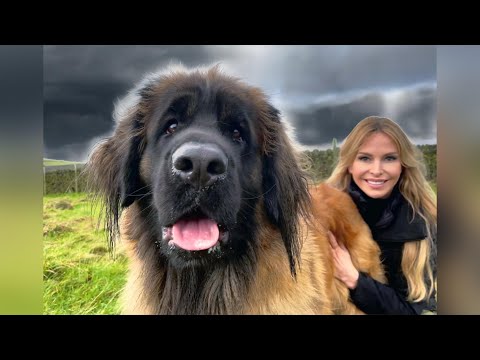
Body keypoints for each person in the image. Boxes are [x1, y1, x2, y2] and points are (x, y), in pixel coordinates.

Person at [326, 116, 437, 315]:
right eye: (365, 158)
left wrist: (355, 279)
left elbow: (414, 310)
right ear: (350, 164)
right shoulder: (326, 215)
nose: (376, 170)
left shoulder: (425, 223)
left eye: (389, 158)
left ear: (402, 164)